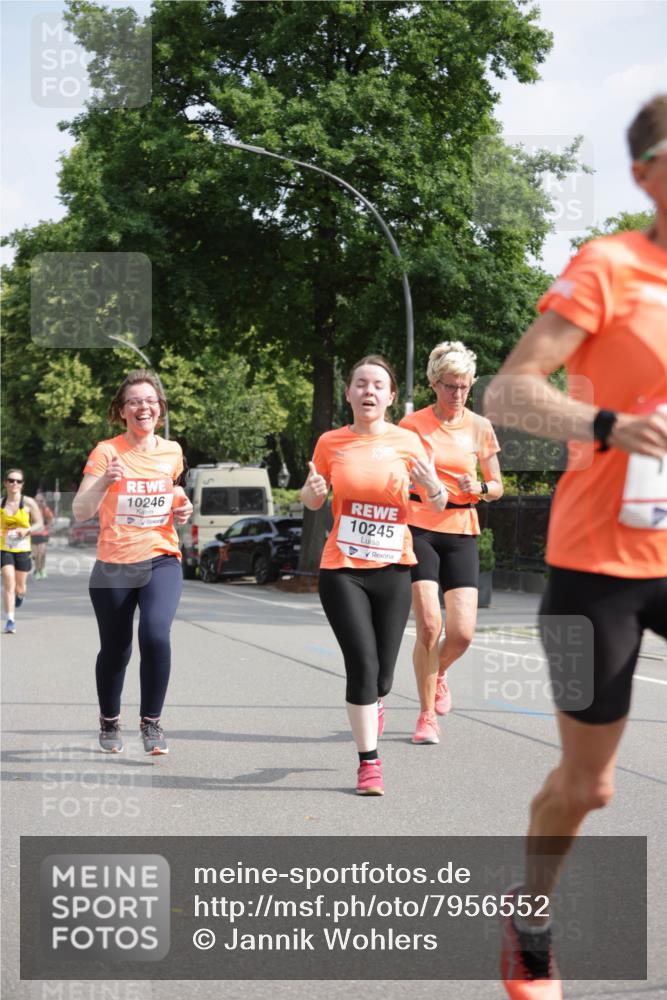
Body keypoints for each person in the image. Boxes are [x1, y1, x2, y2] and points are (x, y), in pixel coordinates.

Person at [484, 94, 667, 999]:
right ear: (645, 173)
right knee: (587, 787)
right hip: (595, 564)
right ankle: (530, 914)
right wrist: (608, 424)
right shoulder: (608, 268)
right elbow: (508, 394)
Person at [301, 355, 447, 795]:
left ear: (390, 397)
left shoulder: (408, 443)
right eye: (360, 384)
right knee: (362, 666)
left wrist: (434, 483)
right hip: (342, 568)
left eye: (377, 385)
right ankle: (369, 763)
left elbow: (436, 503)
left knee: (383, 676)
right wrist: (310, 493)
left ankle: (377, 698)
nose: (368, 391)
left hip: (393, 567)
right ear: (348, 393)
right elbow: (312, 500)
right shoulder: (330, 442)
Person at [72, 369, 193, 755]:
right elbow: (80, 511)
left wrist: (182, 504)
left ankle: (152, 723)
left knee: (156, 634)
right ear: (122, 411)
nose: (144, 407)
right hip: (114, 563)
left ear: (160, 408)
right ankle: (109, 720)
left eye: (150, 400)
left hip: (161, 556)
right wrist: (106, 481)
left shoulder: (172, 451)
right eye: (135, 402)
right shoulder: (106, 452)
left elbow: (172, 491)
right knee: (116, 648)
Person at [399, 342, 503, 744]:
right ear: (433, 383)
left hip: (461, 528)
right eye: (449, 386)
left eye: (463, 386)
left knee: (461, 633)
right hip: (419, 526)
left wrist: (478, 485)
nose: (456, 395)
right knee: (429, 625)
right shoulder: (411, 426)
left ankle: (438, 672)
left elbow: (497, 486)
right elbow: (396, 474)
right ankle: (426, 716)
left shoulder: (479, 426)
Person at [1, 470, 44, 634]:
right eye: (11, 481)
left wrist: (27, 531)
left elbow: (39, 523)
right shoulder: (1, 503)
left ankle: (21, 595)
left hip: (23, 549)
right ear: (5, 483)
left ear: (22, 484)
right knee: (8, 581)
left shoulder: (29, 503)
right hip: (4, 548)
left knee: (20, 587)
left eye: (18, 481)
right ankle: (10, 620)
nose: (14, 484)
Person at [32, 490, 54, 580]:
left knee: (42, 553)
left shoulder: (46, 510)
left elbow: (51, 520)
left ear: (43, 501)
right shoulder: (30, 510)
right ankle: (37, 570)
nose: (39, 502)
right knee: (36, 554)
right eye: (37, 500)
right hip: (33, 534)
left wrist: (48, 528)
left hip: (43, 534)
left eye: (41, 501)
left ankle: (42, 569)